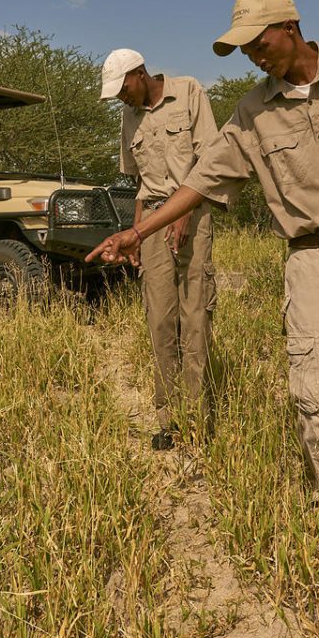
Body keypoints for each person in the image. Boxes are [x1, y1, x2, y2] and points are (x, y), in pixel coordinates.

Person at [87, 0, 319, 550]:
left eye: (259, 43)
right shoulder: (252, 112)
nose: (255, 56)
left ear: (291, 26)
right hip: (307, 261)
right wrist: (139, 230)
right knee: (317, 393)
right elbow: (201, 180)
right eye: (245, 50)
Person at [100, 48, 220, 451]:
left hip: (193, 212)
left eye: (123, 89)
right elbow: (139, 184)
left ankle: (197, 420)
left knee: (194, 316)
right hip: (151, 222)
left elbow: (210, 161)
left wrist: (183, 213)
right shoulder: (129, 116)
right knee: (160, 321)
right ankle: (169, 420)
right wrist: (135, 233)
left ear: (140, 73)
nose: (122, 98)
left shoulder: (189, 93)